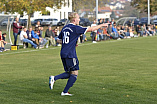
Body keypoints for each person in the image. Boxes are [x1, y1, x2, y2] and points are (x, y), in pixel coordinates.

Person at [49, 12, 108, 96]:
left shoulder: (65, 28)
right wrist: (101, 25)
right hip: (70, 54)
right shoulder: (75, 28)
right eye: (78, 18)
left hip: (63, 53)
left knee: (70, 73)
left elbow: (58, 40)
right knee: (74, 74)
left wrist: (70, 43)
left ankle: (57, 82)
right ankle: (61, 87)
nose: (79, 19)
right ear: (74, 19)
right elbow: (91, 29)